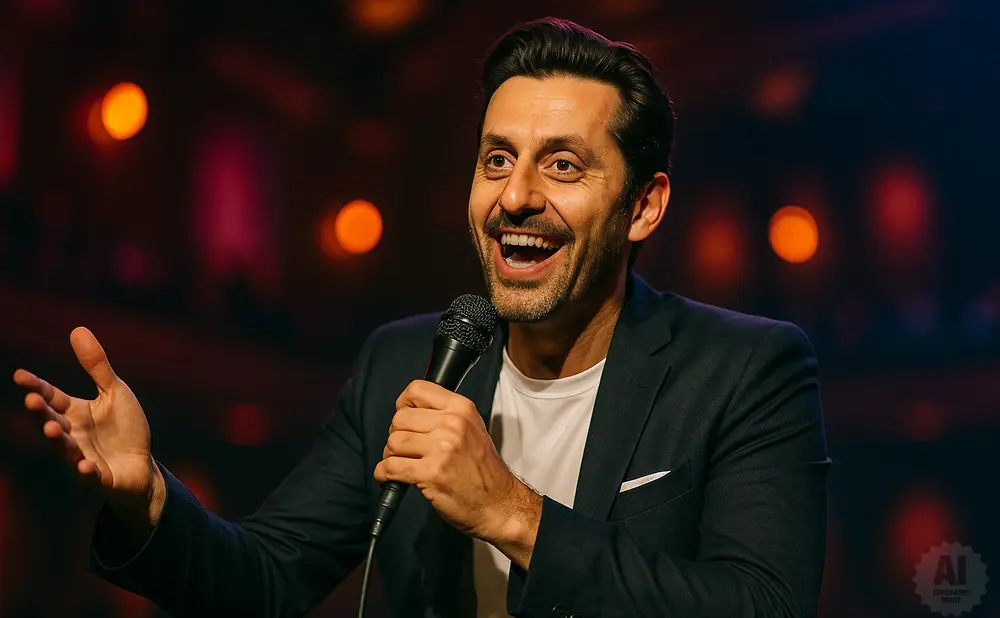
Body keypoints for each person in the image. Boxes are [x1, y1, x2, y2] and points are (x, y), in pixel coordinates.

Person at [12, 17, 830, 618]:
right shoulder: (402, 361)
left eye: (564, 166)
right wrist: (147, 496)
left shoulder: (746, 369)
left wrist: (511, 511)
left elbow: (759, 605)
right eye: (497, 160)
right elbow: (263, 579)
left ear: (644, 205)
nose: (515, 197)